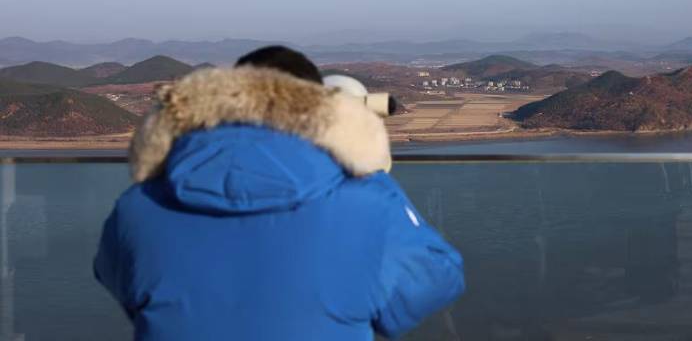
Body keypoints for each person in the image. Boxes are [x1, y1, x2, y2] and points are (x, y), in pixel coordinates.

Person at [94, 46, 465, 340]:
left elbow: (125, 286)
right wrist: (372, 174)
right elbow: (434, 284)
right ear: (323, 110)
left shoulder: (138, 207)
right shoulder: (366, 205)